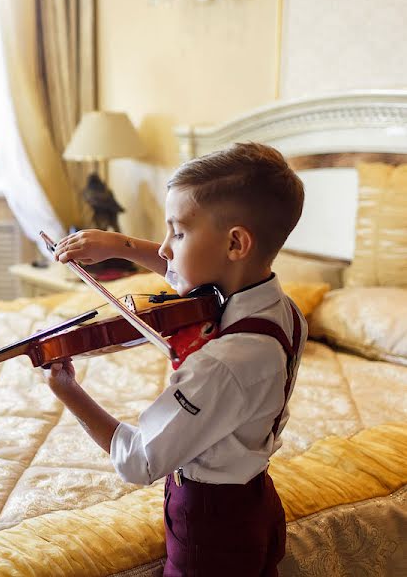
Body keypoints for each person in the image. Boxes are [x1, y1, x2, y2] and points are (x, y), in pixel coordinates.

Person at [50, 142, 306, 576]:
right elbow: (191, 272)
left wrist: (69, 392)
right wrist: (121, 245)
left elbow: (138, 459)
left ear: (237, 242)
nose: (165, 248)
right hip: (255, 503)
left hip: (210, 528)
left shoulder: (225, 362)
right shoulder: (282, 309)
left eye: (179, 232)